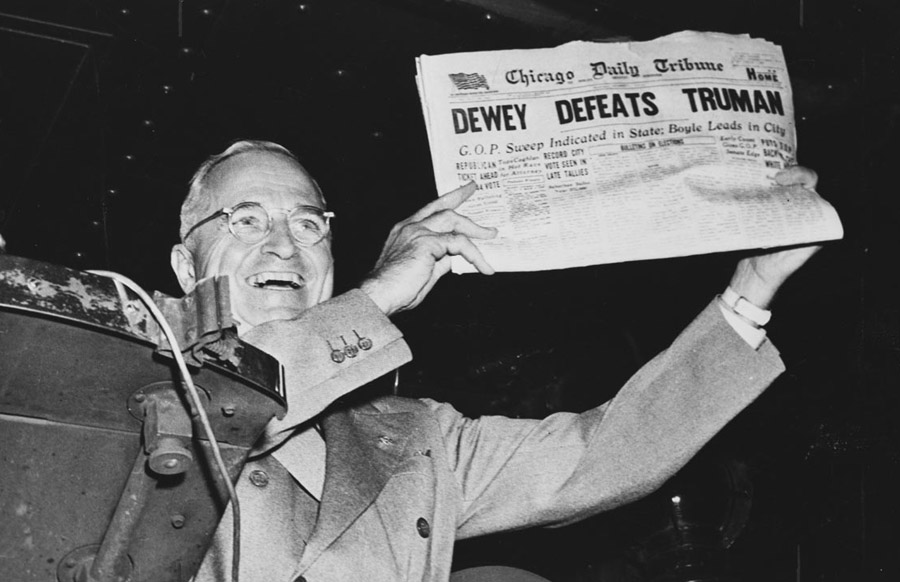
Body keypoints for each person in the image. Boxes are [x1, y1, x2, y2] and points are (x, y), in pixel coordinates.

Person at [170, 140, 822, 582]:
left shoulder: (411, 438)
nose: (284, 245)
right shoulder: (125, 369)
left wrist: (753, 289)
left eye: (309, 224)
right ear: (183, 265)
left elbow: (596, 457)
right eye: (245, 221)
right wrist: (374, 300)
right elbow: (224, 409)